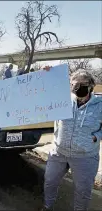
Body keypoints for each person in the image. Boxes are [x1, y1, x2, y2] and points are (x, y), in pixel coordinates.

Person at [41, 69, 101, 211]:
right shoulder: (62, 100)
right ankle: (47, 206)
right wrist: (46, 76)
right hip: (58, 153)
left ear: (91, 85)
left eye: (83, 84)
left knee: (83, 190)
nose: (78, 86)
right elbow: (40, 96)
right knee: (49, 182)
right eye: (75, 84)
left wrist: (95, 137)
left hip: (85, 156)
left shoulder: (100, 105)